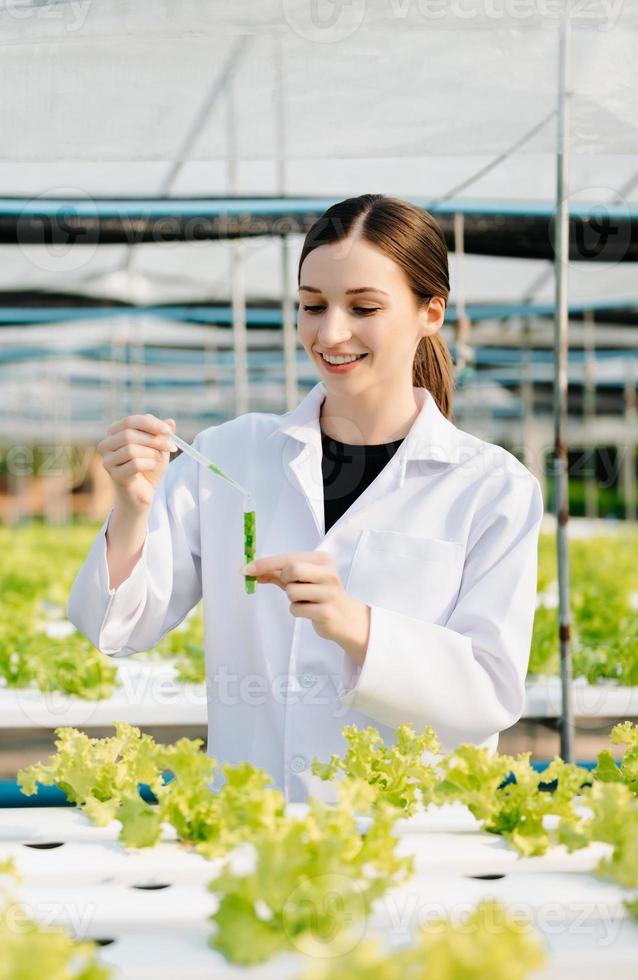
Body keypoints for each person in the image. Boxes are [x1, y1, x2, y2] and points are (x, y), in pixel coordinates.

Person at [67, 194, 545, 803]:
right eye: (312, 306)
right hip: (256, 828)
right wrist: (132, 508)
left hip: (411, 840)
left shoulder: (490, 487)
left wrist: (354, 625)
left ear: (431, 312)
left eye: (363, 307)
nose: (331, 333)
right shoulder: (231, 457)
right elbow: (114, 626)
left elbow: (490, 691)